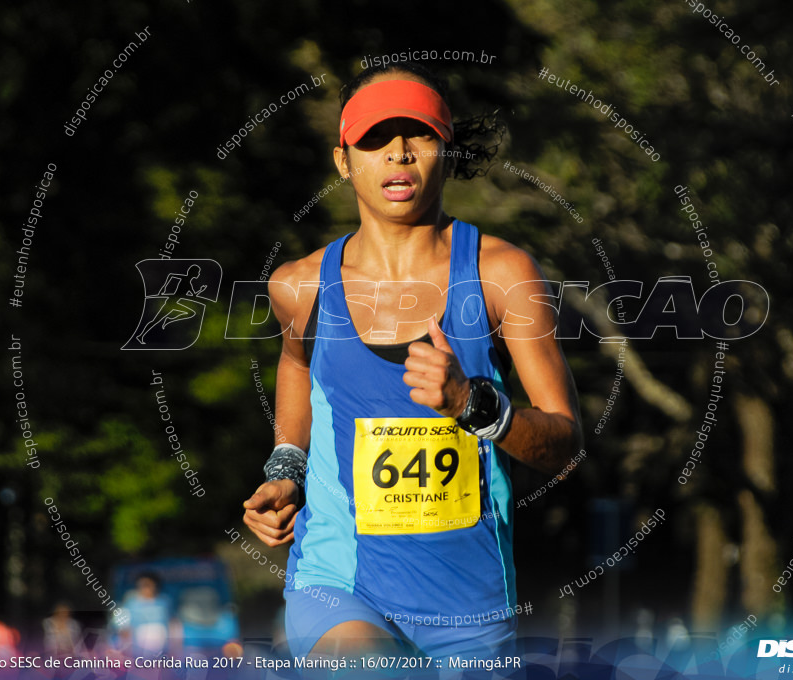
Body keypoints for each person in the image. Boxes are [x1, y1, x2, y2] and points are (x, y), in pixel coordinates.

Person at [243, 62, 582, 660]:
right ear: (344, 160)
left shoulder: (500, 274)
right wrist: (285, 467)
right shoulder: (299, 287)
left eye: (419, 135)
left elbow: (564, 446)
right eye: (374, 139)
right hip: (340, 582)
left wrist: (471, 403)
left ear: (446, 150)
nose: (398, 154)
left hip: (468, 596)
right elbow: (297, 366)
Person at [114, 572, 174, 656]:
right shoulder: (130, 604)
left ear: (155, 585)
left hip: (162, 651)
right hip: (138, 651)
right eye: (142, 585)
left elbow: (172, 624)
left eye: (148, 585)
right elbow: (122, 629)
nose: (145, 588)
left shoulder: (164, 602)